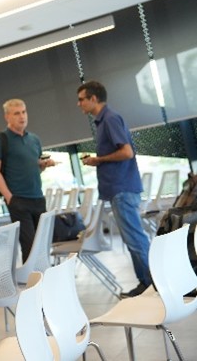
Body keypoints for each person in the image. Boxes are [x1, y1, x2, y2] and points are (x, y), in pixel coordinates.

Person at [76, 80, 151, 298]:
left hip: (123, 188)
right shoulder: (103, 122)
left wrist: (99, 159)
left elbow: (127, 152)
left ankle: (150, 284)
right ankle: (146, 283)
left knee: (135, 239)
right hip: (120, 188)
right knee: (132, 239)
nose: (78, 104)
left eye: (81, 99)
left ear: (93, 99)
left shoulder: (109, 119)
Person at [0, 99, 56, 263]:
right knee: (29, 246)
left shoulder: (34, 139)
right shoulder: (1, 140)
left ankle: (46, 280)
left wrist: (43, 165)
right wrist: (9, 197)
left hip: (38, 198)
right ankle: (32, 284)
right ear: (7, 117)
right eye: (17, 113)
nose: (22, 116)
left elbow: (35, 167)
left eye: (24, 112)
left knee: (43, 244)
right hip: (18, 200)